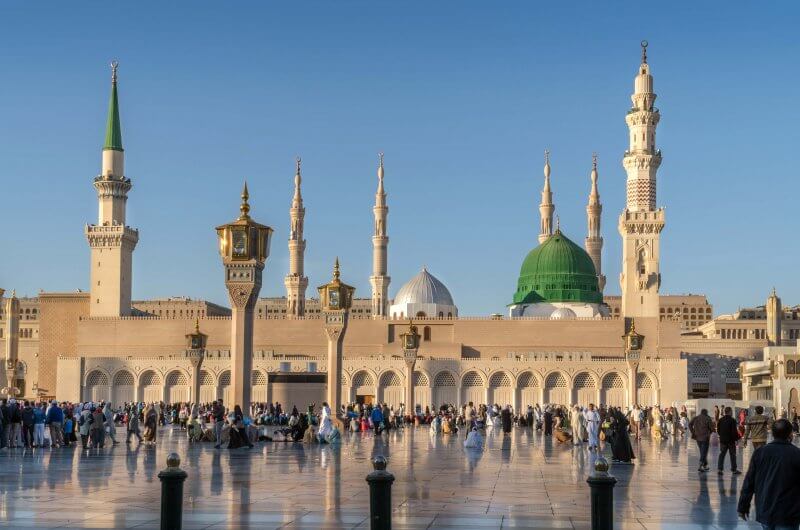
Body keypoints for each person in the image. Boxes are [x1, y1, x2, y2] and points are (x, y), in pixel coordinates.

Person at [738, 419, 800, 528]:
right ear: (790, 434)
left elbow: (749, 482)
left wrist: (743, 506)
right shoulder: (796, 454)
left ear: (772, 433)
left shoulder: (760, 453)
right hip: (788, 513)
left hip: (766, 510)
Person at [717, 406, 741, 475]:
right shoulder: (732, 420)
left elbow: (718, 430)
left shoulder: (720, 420)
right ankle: (734, 469)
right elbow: (734, 431)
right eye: (731, 411)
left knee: (722, 454)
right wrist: (736, 439)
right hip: (731, 441)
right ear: (730, 412)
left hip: (723, 441)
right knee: (732, 455)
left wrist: (721, 436)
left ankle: (720, 469)